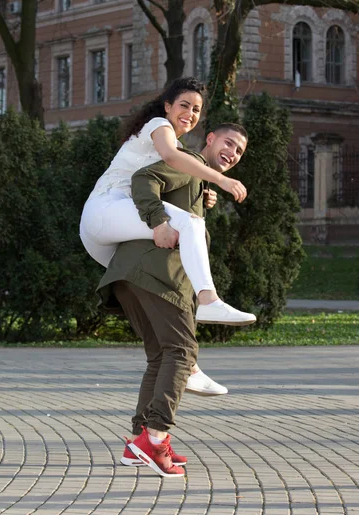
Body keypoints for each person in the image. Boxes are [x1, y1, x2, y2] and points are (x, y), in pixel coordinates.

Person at [96, 123, 249, 475]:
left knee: (161, 357)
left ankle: (138, 443)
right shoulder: (188, 160)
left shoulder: (195, 178)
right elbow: (143, 179)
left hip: (130, 275)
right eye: (229, 143)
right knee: (182, 352)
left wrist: (203, 194)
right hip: (156, 276)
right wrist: (158, 221)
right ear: (210, 139)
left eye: (239, 151)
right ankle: (155, 437)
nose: (232, 153)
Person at [80, 77, 255, 328]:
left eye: (196, 110)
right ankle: (208, 300)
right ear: (167, 106)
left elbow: (166, 182)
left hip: (116, 230)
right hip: (105, 209)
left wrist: (202, 193)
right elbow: (171, 158)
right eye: (184, 105)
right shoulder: (159, 125)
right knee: (190, 224)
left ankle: (189, 365)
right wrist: (222, 181)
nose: (190, 113)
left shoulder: (177, 143)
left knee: (162, 287)